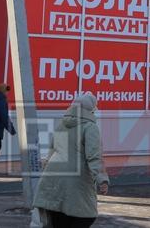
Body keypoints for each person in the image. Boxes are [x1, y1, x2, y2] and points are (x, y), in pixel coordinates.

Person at [33, 92, 110, 227]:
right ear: (91, 110)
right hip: (77, 180)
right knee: (86, 216)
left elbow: (52, 151)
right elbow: (94, 156)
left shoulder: (62, 124)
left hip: (53, 178)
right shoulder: (90, 127)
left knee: (59, 218)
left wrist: (46, 172)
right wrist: (102, 179)